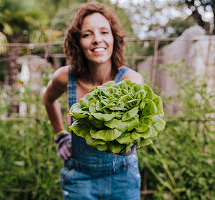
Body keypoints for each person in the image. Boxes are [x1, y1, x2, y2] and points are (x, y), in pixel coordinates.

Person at [43, 1, 143, 199]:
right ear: (77, 42)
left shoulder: (130, 79)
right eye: (87, 34)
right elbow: (48, 99)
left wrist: (130, 140)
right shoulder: (64, 77)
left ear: (114, 38)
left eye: (104, 32)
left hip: (123, 176)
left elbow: (140, 122)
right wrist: (60, 135)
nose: (97, 40)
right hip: (79, 177)